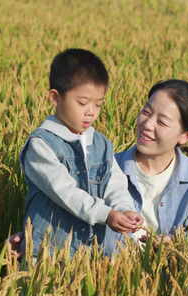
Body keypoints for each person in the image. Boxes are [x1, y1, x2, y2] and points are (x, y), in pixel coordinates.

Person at [10, 79, 188, 257]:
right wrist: (32, 238)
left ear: (186, 136)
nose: (147, 124)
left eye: (162, 122)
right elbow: (73, 209)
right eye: (146, 112)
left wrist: (159, 245)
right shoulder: (102, 167)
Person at [20, 48, 143, 258]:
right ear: (55, 98)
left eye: (98, 104)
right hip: (48, 252)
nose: (91, 112)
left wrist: (124, 210)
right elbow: (66, 192)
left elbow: (115, 183)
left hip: (92, 253)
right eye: (82, 103)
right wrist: (107, 214)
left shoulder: (101, 144)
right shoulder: (41, 145)